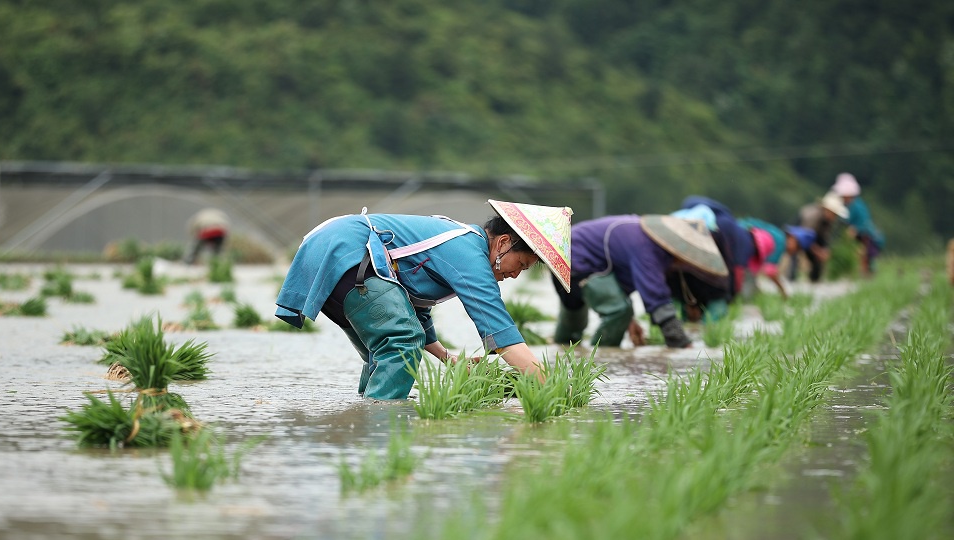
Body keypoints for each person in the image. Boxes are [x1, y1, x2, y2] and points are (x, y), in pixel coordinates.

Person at [275, 200, 572, 400]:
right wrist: (552, 387)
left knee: (384, 351)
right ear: (504, 243)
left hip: (340, 256)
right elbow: (499, 331)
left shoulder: (460, 244)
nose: (516, 275)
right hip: (347, 251)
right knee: (401, 342)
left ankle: (366, 419)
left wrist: (448, 358)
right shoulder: (468, 250)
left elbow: (409, 308)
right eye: (520, 264)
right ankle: (382, 426)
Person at [552, 213, 727, 348]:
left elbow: (616, 285)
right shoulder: (647, 247)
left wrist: (630, 321)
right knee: (619, 311)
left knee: (573, 318)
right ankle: (600, 361)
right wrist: (680, 341)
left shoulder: (644, 237)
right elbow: (656, 297)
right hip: (574, 260)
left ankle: (560, 351)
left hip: (570, 257)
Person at [786, 191, 849, 282]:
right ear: (828, 210)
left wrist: (824, 251)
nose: (835, 217)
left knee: (818, 258)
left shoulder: (827, 221)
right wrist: (817, 252)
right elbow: (804, 238)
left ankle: (814, 281)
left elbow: (824, 238)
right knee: (795, 253)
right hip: (799, 233)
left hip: (812, 237)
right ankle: (791, 280)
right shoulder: (813, 216)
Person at [832, 172, 885, 276]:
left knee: (865, 259)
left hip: (865, 237)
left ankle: (866, 277)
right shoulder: (848, 206)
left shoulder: (857, 205)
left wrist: (854, 229)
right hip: (854, 238)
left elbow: (864, 222)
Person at [737, 217, 788, 299]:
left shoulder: (778, 236)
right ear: (793, 238)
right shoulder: (780, 242)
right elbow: (770, 271)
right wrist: (783, 291)